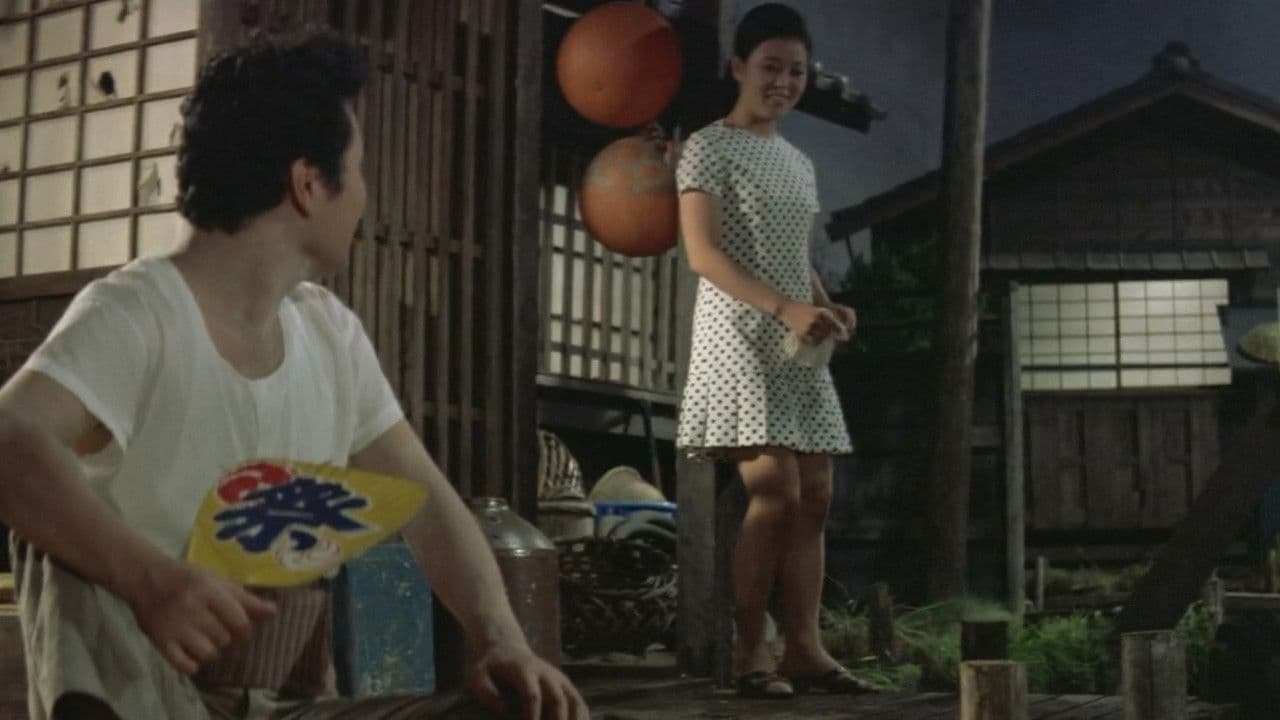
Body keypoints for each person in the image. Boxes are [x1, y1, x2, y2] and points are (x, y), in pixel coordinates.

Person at [0, 32, 587, 720]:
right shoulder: (137, 311)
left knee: (519, 712)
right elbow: (9, 437)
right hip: (142, 695)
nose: (364, 194)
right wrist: (153, 582)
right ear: (309, 185)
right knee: (48, 534)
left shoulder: (329, 331)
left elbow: (426, 504)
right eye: (358, 170)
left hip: (277, 701)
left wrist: (501, 640)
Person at [675, 2, 871, 700]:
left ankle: (805, 649)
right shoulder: (707, 147)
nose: (783, 82)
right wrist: (785, 307)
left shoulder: (799, 162)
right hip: (735, 334)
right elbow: (704, 254)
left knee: (815, 495)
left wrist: (824, 302)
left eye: (796, 71)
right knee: (775, 491)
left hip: (795, 336)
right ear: (739, 67)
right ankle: (748, 647)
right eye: (770, 67)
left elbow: (794, 256)